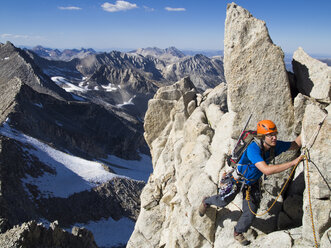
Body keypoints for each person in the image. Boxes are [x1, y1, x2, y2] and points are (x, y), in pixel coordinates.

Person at [198, 120, 302, 246]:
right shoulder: (253, 148)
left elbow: (295, 144)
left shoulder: (275, 146)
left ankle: (238, 232)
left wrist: (312, 126)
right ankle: (206, 201)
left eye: (275, 134)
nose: (274, 137)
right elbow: (266, 170)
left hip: (252, 183)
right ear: (263, 137)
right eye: (270, 135)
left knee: (251, 212)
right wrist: (293, 163)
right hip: (237, 180)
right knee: (223, 201)